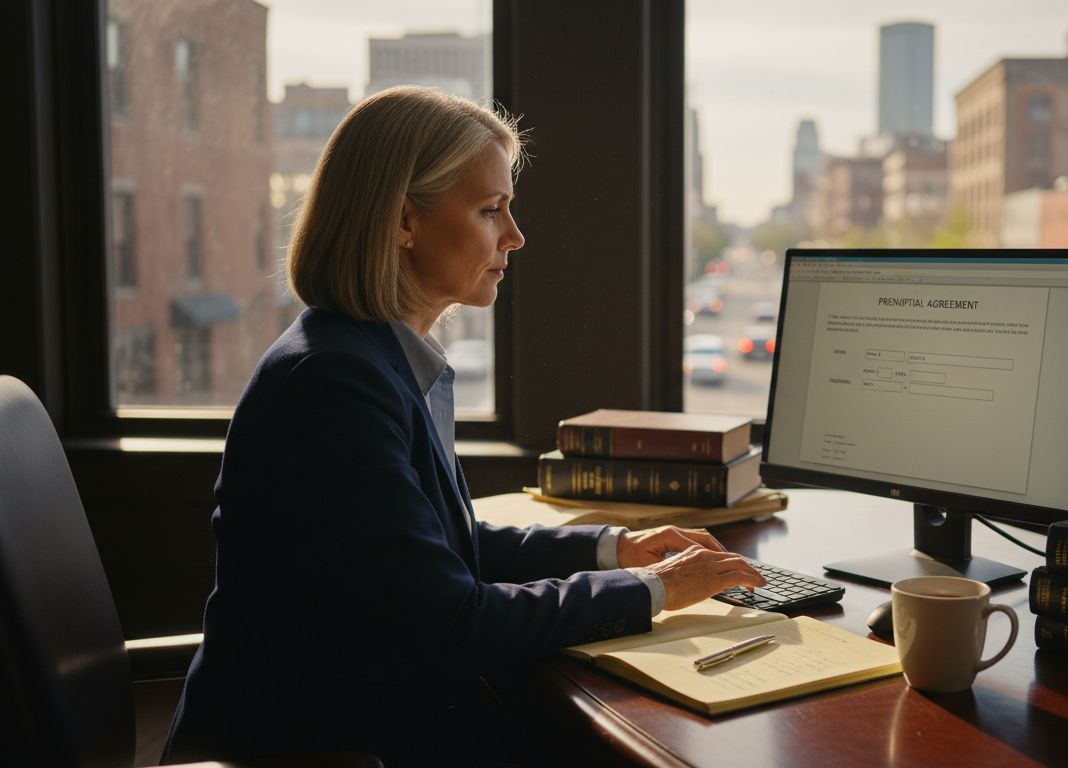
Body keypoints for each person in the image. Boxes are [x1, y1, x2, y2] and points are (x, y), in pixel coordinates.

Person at [161, 86, 765, 766]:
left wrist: (617, 551)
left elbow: (444, 548)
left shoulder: (374, 356)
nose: (516, 235)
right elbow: (452, 621)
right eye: (489, 210)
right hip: (319, 747)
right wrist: (657, 590)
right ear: (402, 222)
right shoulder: (333, 384)